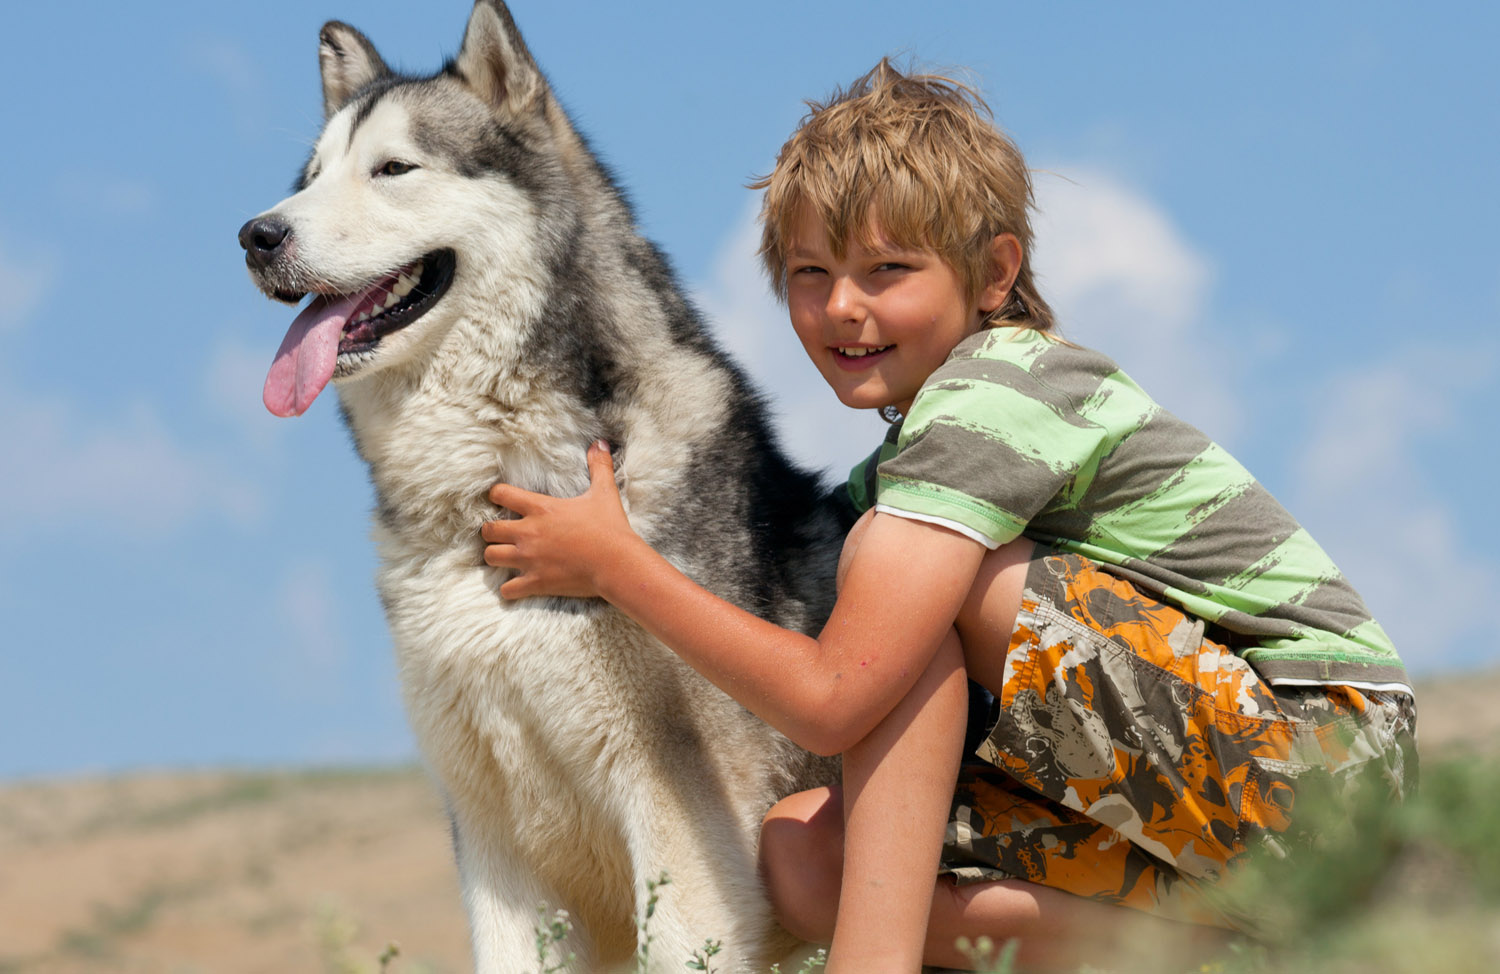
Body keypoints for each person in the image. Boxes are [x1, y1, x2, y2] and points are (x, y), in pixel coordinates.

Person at [478, 60, 1416, 972]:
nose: (842, 306)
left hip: (1324, 768)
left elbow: (832, 696)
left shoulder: (1000, 394)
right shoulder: (911, 461)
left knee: (904, 576)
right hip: (1223, 823)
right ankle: (1240, 951)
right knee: (808, 861)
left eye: (887, 268)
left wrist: (618, 568)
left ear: (995, 272)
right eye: (810, 272)